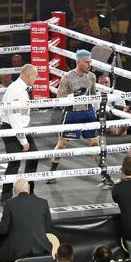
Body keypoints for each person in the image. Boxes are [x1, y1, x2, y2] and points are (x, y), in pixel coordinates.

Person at [46, 50, 98, 182]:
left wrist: (97, 110)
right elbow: (59, 98)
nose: (89, 64)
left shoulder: (92, 77)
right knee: (62, 144)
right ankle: (52, 172)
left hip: (88, 112)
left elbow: (93, 94)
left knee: (94, 145)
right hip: (72, 113)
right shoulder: (67, 77)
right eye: (86, 62)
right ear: (79, 62)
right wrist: (73, 97)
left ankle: (104, 174)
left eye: (90, 62)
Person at [0, 64, 40, 205]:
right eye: (35, 76)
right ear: (28, 76)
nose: (36, 79)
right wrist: (23, 141)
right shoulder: (17, 91)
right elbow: (14, 118)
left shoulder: (21, 88)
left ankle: (29, 191)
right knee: (14, 162)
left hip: (19, 128)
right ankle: (5, 196)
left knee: (34, 156)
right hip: (12, 129)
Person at [0, 177, 52, 262]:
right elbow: (48, 227)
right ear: (29, 188)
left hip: (18, 251)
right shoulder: (43, 202)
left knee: (0, 253)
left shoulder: (10, 203)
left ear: (14, 191)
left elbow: (3, 230)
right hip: (42, 248)